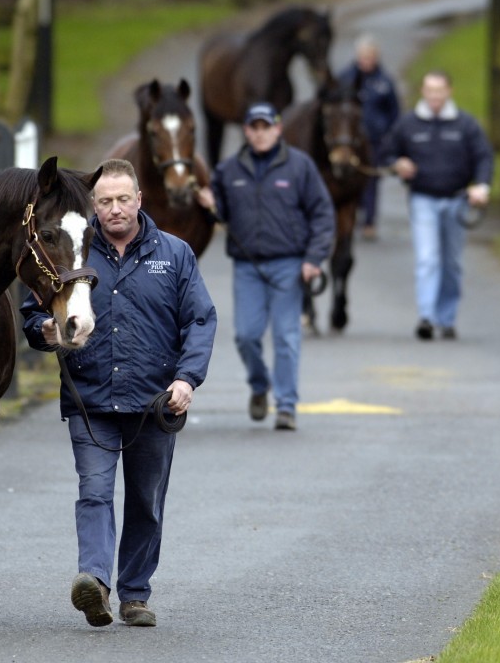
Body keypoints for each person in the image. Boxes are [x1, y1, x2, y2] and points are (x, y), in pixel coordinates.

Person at [20, 158, 217, 629]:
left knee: (146, 501)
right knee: (94, 492)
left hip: (155, 402)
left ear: (139, 200)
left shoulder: (175, 254)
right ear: (94, 205)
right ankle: (94, 581)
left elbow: (200, 320)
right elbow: (32, 312)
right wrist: (44, 328)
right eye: (104, 201)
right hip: (91, 400)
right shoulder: (73, 249)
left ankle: (134, 593)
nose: (114, 209)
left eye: (122, 199)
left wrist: (187, 379)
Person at [208, 102, 335, 431]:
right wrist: (211, 203)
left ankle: (287, 406)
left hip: (289, 265)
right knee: (246, 336)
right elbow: (219, 212)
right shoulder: (229, 170)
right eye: (255, 127)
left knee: (286, 336)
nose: (261, 133)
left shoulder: (299, 166)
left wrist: (313, 260)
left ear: (278, 129)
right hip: (247, 266)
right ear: (247, 131)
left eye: (267, 126)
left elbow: (322, 215)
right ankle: (259, 384)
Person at [379, 70, 493, 341]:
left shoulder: (465, 124)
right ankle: (427, 317)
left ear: (449, 91)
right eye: (430, 90)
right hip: (423, 199)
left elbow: (484, 156)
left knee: (451, 263)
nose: (434, 96)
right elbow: (386, 152)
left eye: (439, 90)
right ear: (423, 91)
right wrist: (398, 164)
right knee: (427, 258)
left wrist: (482, 186)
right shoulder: (409, 124)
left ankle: (447, 317)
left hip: (456, 200)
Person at [337, 33, 400, 241]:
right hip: (349, 141)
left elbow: (394, 111)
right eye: (363, 57)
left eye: (370, 57)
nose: (366, 62)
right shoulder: (345, 78)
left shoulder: (384, 82)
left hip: (374, 139)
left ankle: (369, 222)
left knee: (371, 179)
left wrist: (389, 135)